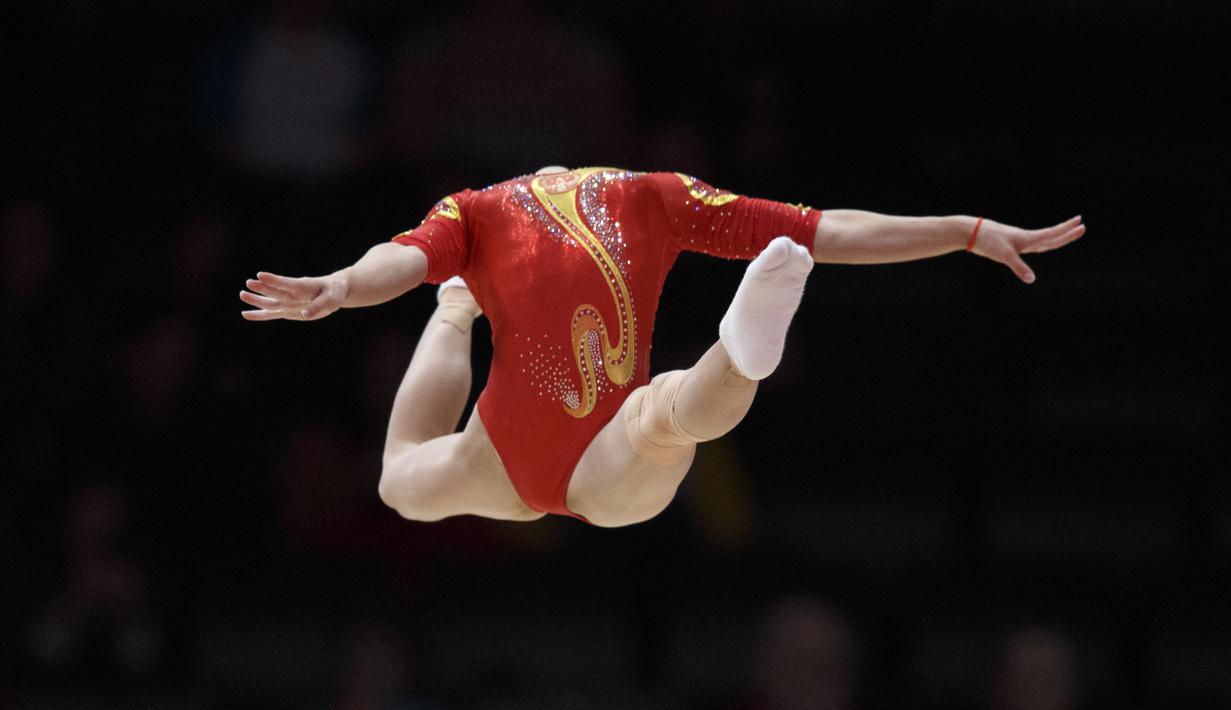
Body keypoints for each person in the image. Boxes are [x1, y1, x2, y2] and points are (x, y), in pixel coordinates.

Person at [239, 166, 1084, 527]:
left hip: (518, 458)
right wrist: (963, 231)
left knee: (404, 479)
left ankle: (740, 345)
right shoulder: (648, 195)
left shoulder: (482, 210)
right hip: (557, 457)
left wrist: (345, 286)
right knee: (660, 422)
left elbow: (400, 261)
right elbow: (829, 230)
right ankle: (740, 350)